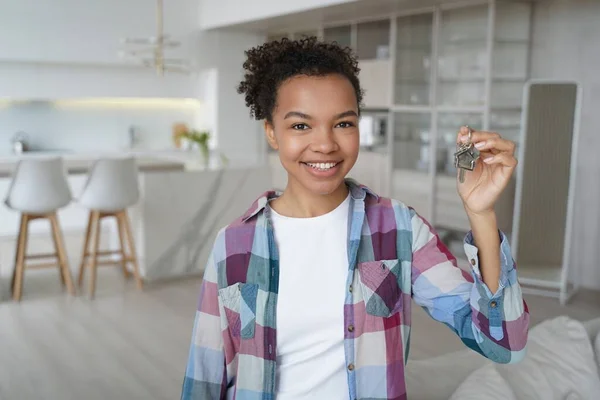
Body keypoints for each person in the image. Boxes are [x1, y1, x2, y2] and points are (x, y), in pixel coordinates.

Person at [181, 37, 529, 400]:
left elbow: (504, 344)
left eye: (343, 124)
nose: (326, 144)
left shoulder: (399, 229)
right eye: (301, 126)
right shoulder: (233, 243)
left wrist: (480, 213)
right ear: (272, 132)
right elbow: (205, 377)